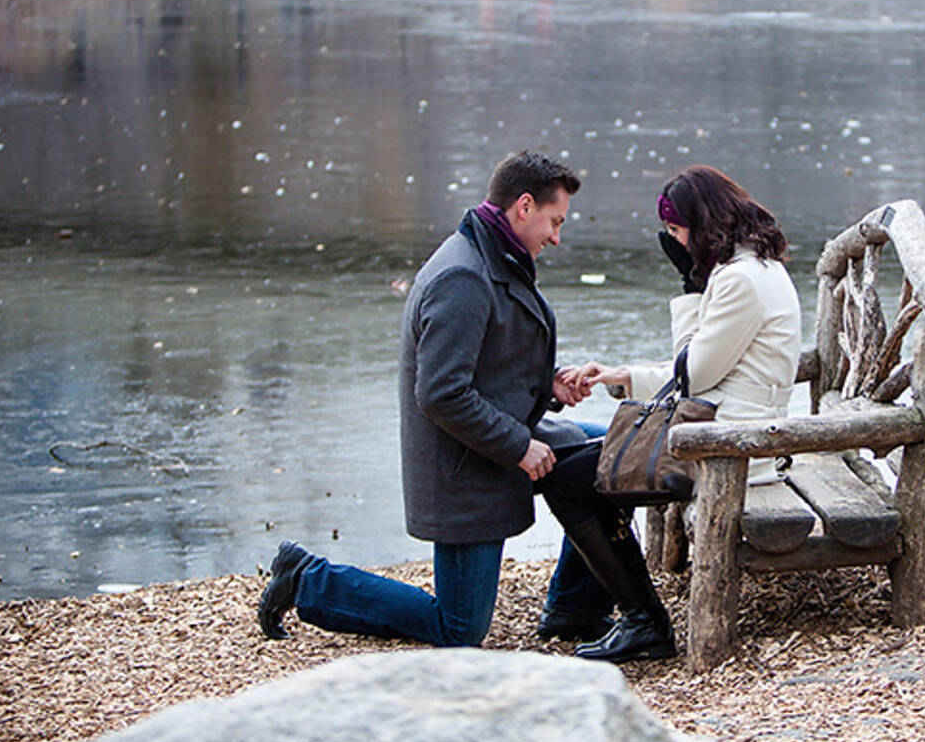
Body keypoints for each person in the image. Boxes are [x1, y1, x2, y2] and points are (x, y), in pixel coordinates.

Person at [258, 151, 679, 663]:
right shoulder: (461, 278)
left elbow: (486, 364)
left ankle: (574, 609)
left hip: (494, 443)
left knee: (611, 455)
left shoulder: (492, 253)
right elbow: (441, 393)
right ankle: (307, 580)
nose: (557, 237)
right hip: (464, 468)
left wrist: (548, 385)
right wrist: (519, 447)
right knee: (458, 629)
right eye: (554, 221)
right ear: (524, 207)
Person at [580, 166, 802, 496]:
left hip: (731, 445)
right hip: (737, 429)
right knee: (592, 466)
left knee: (584, 477)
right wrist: (627, 376)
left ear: (701, 227)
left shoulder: (738, 279)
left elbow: (694, 376)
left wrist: (691, 291)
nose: (674, 241)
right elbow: (716, 367)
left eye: (675, 229)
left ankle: (616, 552)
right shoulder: (758, 265)